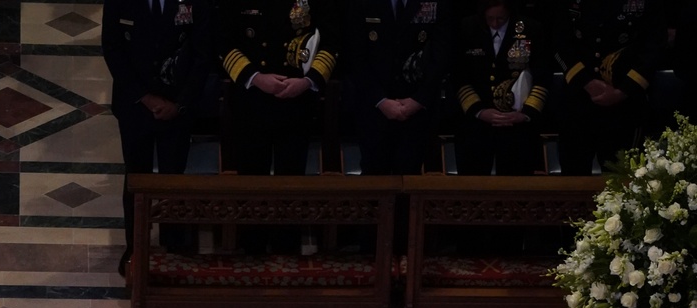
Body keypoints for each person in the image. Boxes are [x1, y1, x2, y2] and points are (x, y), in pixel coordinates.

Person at [102, 0, 212, 279]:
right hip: (135, 106)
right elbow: (112, 48)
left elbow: (203, 53)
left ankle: (174, 248)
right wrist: (146, 98)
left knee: (173, 178)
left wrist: (180, 103)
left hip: (178, 109)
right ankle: (135, 247)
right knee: (135, 179)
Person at [219, 0, 338, 175]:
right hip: (251, 101)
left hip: (297, 101)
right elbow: (223, 42)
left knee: (292, 187)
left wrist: (308, 81)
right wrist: (255, 77)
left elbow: (331, 43)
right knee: (251, 186)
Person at [553, 0, 665, 174]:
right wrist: (585, 82)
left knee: (623, 180)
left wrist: (624, 90)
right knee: (573, 176)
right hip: (579, 102)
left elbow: (654, 46)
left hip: (625, 105)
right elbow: (558, 39)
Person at [344, 0, 452, 174]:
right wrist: (380, 100)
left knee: (411, 176)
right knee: (374, 177)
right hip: (374, 108)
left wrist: (419, 99)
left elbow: (442, 55)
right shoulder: (361, 4)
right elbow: (355, 56)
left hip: (417, 109)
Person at [453, 0, 550, 175]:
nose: (495, 23)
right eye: (490, 18)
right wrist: (479, 111)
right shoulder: (467, 28)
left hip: (518, 125)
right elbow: (459, 76)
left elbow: (542, 77)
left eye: (501, 19)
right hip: (477, 125)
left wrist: (526, 114)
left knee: (517, 190)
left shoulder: (531, 28)